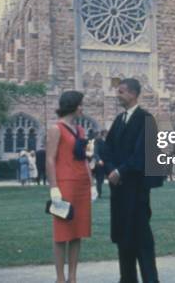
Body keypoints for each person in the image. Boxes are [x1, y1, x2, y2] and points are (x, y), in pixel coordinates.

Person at [103, 78, 161, 283]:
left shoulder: (146, 120)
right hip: (119, 191)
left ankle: (150, 280)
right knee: (123, 238)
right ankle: (127, 279)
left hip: (137, 191)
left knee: (142, 240)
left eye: (121, 92)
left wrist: (120, 171)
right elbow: (106, 149)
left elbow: (142, 154)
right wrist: (110, 170)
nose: (117, 95)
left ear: (133, 94)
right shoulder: (119, 120)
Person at [46, 90, 92, 283]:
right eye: (80, 104)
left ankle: (73, 276)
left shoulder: (80, 130)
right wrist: (53, 187)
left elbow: (84, 158)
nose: (82, 108)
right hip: (65, 184)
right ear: (72, 105)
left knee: (77, 231)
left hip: (81, 184)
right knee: (62, 231)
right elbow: (50, 159)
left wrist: (91, 181)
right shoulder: (56, 129)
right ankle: (60, 277)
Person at [93, 130, 107, 198]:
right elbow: (96, 152)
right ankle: (99, 193)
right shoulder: (98, 141)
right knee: (100, 180)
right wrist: (99, 160)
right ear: (103, 134)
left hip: (109, 163)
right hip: (100, 163)